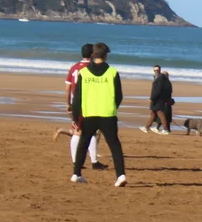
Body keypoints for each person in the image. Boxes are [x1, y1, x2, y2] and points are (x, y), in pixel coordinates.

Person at [70, 42, 127, 187]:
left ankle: (76, 174)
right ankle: (120, 176)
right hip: (108, 114)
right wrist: (113, 107)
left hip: (89, 113)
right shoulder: (112, 72)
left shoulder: (84, 73)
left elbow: (77, 98)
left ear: (93, 54)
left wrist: (76, 117)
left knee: (83, 143)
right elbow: (119, 96)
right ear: (106, 55)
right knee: (114, 145)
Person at [64, 43, 103, 170]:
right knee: (92, 132)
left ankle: (76, 161)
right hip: (89, 103)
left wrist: (68, 103)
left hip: (75, 103)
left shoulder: (74, 67)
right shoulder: (93, 68)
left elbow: (67, 88)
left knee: (77, 131)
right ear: (92, 54)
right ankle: (94, 161)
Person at [141, 65, 172, 135]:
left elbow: (158, 90)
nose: (156, 71)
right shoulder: (163, 80)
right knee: (153, 113)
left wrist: (152, 98)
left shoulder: (161, 79)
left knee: (160, 113)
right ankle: (146, 127)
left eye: (157, 70)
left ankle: (165, 129)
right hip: (159, 99)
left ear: (160, 70)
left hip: (158, 100)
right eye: (154, 70)